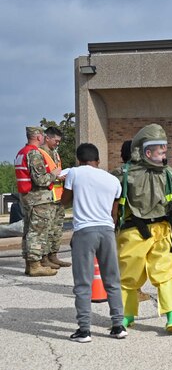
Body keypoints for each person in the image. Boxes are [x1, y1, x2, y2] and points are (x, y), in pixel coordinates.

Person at [113, 124, 172, 333]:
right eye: (161, 149)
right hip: (133, 232)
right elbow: (107, 189)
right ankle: (126, 315)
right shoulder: (125, 172)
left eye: (165, 148)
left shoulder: (165, 172)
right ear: (147, 152)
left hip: (160, 230)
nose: (165, 152)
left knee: (165, 273)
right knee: (128, 275)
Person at [61, 143, 126, 342]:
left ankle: (84, 330)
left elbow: (65, 201)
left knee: (83, 283)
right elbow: (115, 213)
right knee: (112, 281)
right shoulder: (113, 179)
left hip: (84, 232)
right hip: (107, 231)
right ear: (97, 161)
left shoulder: (74, 173)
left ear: (79, 160)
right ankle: (118, 326)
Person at [14, 126, 61, 277]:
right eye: (42, 135)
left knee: (28, 231)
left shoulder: (21, 152)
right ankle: (35, 265)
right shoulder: (34, 153)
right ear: (39, 137)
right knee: (37, 232)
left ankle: (30, 264)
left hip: (27, 197)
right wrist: (54, 174)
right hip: (37, 199)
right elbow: (41, 179)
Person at [119, 140, 153, 304]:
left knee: (127, 260)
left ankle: (132, 291)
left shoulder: (117, 173)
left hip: (124, 223)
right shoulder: (147, 174)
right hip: (141, 224)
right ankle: (133, 293)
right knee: (137, 262)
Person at [40, 126, 71, 269]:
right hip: (46, 198)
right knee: (46, 229)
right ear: (47, 138)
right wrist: (55, 175)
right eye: (56, 141)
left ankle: (53, 255)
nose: (57, 143)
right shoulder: (39, 153)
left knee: (57, 229)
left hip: (58, 198)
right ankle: (44, 257)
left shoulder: (56, 154)